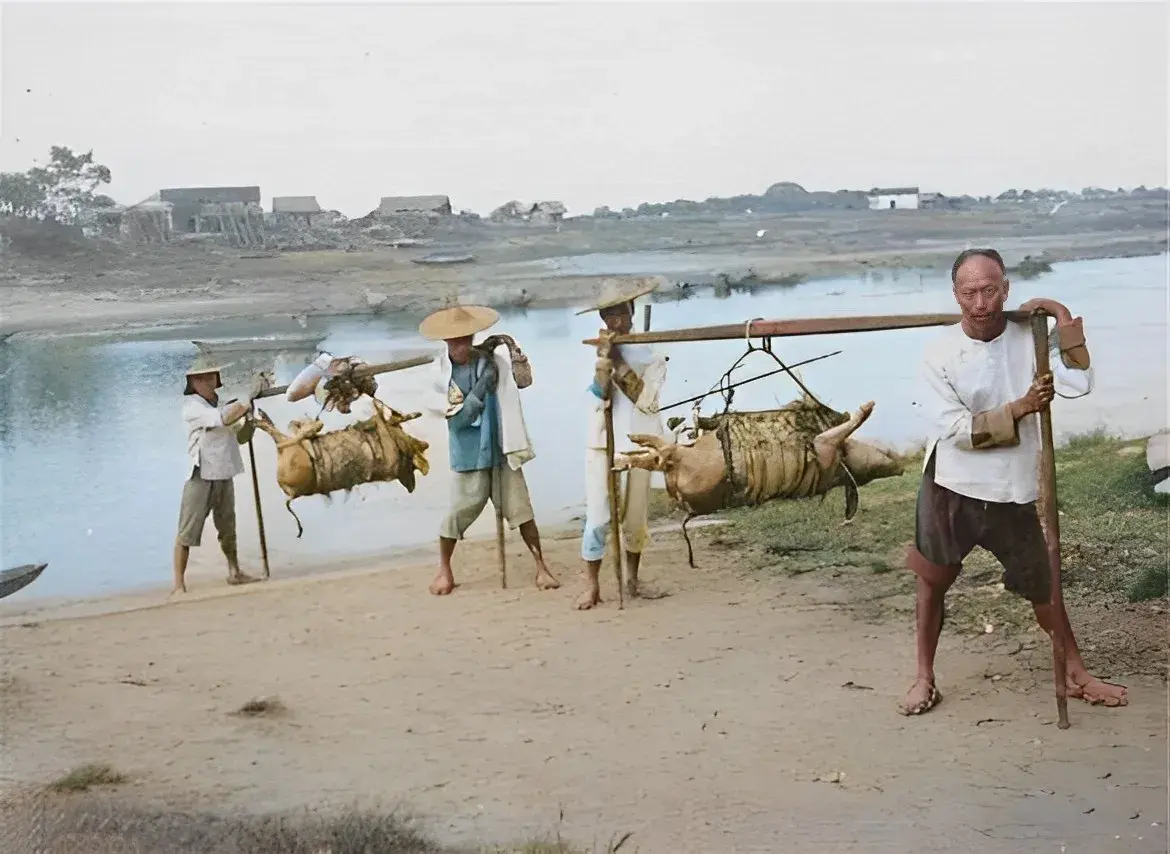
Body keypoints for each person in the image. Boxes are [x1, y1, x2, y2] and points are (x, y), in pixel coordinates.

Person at [901, 247, 1128, 715]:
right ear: (956, 295)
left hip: (1013, 489)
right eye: (970, 293)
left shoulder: (1032, 336)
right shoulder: (937, 353)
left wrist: (1062, 316)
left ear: (1006, 290)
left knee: (1043, 584)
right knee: (933, 581)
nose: (981, 303)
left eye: (990, 290)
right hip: (952, 485)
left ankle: (1078, 675)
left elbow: (1079, 382)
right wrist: (1022, 406)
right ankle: (924, 678)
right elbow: (956, 430)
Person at [419, 303, 559, 595]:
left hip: (501, 447)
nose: (460, 346)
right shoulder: (440, 376)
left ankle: (541, 566)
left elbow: (520, 385)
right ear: (446, 342)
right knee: (459, 512)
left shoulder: (492, 362)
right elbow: (459, 420)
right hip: (469, 453)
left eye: (465, 339)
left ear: (472, 337)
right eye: (454, 340)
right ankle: (444, 569)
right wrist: (482, 386)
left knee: (520, 510)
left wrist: (501, 364)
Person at [577, 277, 669, 610]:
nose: (615, 321)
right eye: (608, 315)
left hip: (641, 441)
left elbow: (646, 400)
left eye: (620, 313)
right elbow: (597, 397)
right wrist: (604, 363)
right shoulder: (598, 349)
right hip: (602, 443)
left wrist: (617, 361)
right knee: (599, 516)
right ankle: (592, 585)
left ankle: (632, 580)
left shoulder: (654, 353)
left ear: (631, 310)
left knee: (635, 517)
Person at [174, 354, 267, 594]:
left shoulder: (223, 401)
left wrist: (249, 416)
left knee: (227, 527)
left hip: (224, 471)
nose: (208, 381)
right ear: (193, 382)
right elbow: (224, 418)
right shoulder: (192, 407)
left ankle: (234, 572)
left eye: (211, 377)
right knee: (188, 530)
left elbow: (241, 435)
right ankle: (179, 584)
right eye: (202, 378)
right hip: (201, 474)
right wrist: (247, 398)